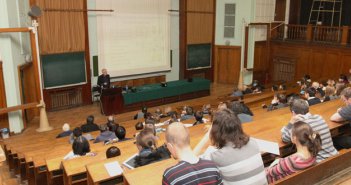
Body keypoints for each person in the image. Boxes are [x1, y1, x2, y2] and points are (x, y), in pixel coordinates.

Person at [194, 109, 267, 184]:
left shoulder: (215, 155)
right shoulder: (253, 142)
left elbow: (189, 162)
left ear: (215, 131)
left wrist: (207, 135)